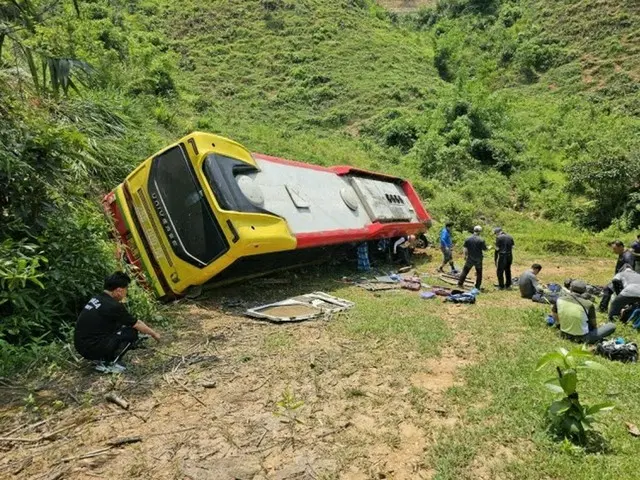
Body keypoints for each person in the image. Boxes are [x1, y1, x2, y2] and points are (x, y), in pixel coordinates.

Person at [74, 272, 161, 373]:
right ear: (119, 290)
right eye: (126, 290)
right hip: (92, 348)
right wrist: (154, 334)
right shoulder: (113, 306)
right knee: (131, 332)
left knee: (120, 325)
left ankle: (102, 356)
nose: (126, 293)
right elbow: (136, 324)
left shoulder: (97, 298)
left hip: (82, 345)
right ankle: (109, 363)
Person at [600, 240, 637, 312]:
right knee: (610, 291)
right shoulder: (622, 253)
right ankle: (604, 308)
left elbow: (630, 269)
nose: (613, 251)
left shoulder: (628, 256)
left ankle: (603, 309)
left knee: (608, 289)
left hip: (624, 280)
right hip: (619, 278)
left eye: (615, 249)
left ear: (621, 247)